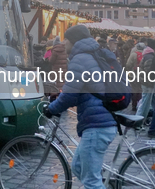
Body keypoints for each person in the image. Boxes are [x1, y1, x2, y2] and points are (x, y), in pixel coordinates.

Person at [44, 25, 117, 188]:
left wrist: (51, 109)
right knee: (78, 166)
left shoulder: (81, 59)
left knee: (91, 181)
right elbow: (85, 90)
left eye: (65, 39)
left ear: (72, 41)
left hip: (97, 125)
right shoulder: (94, 54)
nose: (63, 43)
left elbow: (69, 95)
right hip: (104, 120)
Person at [135, 38, 155, 121]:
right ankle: (138, 120)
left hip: (145, 81)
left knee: (147, 101)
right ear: (154, 47)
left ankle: (142, 119)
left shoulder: (147, 54)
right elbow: (149, 71)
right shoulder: (150, 57)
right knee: (145, 103)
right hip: (148, 83)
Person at [125, 42, 145, 111]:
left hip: (133, 74)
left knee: (134, 89)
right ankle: (140, 105)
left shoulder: (134, 54)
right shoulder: (145, 55)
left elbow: (128, 64)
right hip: (142, 75)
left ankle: (134, 105)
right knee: (140, 90)